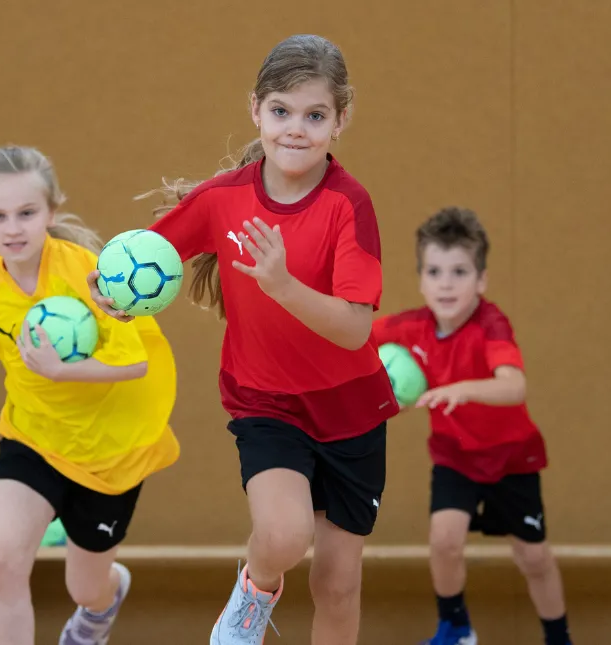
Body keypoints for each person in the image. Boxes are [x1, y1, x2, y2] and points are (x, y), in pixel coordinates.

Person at [90, 34, 394, 645]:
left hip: (352, 412)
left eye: (315, 115)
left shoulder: (348, 206)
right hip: (267, 403)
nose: (296, 130)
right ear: (256, 109)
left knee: (337, 584)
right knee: (283, 537)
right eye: (281, 111)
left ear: (341, 120)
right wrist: (114, 298)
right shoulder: (224, 199)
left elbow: (356, 326)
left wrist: (282, 286)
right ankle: (255, 591)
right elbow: (151, 259)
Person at [0, 145, 179, 645]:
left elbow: (134, 362)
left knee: (85, 588)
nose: (13, 228)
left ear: (51, 209)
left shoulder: (90, 273)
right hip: (33, 440)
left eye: (27, 213)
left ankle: (102, 603)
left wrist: (60, 372)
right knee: (0, 560)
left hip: (112, 453)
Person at [372, 207, 571, 645]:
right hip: (455, 456)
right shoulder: (407, 327)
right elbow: (353, 340)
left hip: (511, 459)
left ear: (481, 280)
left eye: (460, 271)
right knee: (444, 541)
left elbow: (514, 386)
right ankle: (456, 628)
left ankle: (558, 637)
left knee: (533, 557)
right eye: (435, 271)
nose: (446, 283)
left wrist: (463, 389)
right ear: (421, 279)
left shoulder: (491, 325)